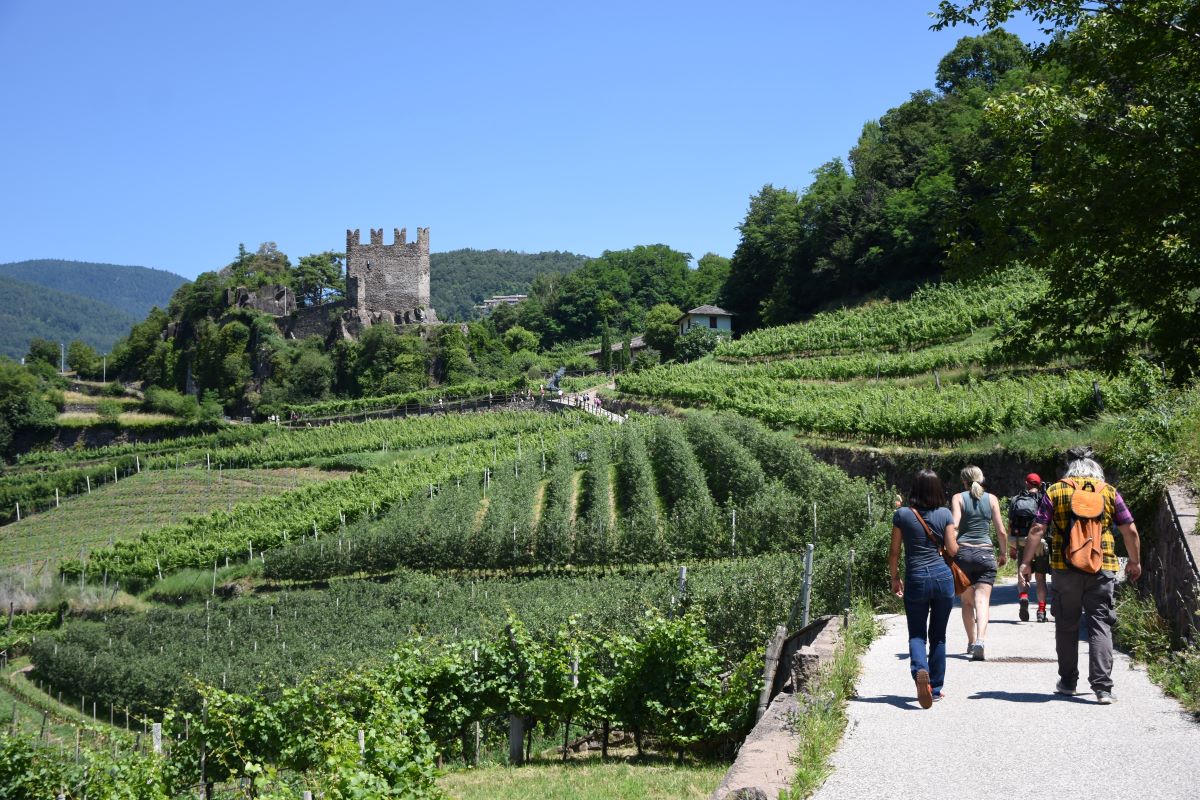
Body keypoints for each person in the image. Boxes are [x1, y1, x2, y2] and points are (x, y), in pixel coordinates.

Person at [1020, 449, 1142, 704]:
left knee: (1066, 625)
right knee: (1100, 624)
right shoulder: (1108, 492)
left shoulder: (1056, 491)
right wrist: (1134, 561)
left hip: (1065, 567)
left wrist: (1026, 562)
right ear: (1096, 471)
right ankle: (1103, 688)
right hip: (1102, 566)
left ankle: (1068, 682)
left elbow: (1038, 528)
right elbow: (1129, 530)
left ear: (1070, 471)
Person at [889, 469, 957, 708]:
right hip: (942, 578)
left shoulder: (902, 515)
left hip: (916, 578)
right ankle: (935, 688)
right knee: (938, 636)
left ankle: (920, 669)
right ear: (937, 489)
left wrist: (895, 577)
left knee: (917, 634)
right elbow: (953, 550)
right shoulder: (945, 513)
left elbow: (894, 552)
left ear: (914, 489)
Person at [949, 465, 1008, 661]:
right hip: (985, 554)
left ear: (963, 480)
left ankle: (971, 642)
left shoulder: (958, 498)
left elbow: (955, 525)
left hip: (963, 554)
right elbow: (1001, 531)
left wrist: (950, 549)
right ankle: (981, 641)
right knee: (982, 601)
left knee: (967, 602)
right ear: (981, 479)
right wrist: (1003, 554)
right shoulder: (992, 499)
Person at [1009, 473, 1049, 622]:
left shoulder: (1016, 499)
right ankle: (1041, 611)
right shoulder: (1044, 499)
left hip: (1021, 541)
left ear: (1026, 483)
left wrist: (1012, 546)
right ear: (1039, 484)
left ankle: (1024, 596)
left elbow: (1010, 524)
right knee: (1040, 578)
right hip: (1039, 542)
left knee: (1023, 574)